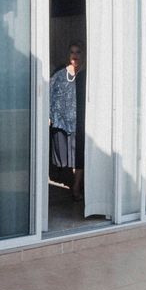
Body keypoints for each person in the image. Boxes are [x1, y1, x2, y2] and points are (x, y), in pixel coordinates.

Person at [50, 41, 86, 201]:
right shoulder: (60, 74)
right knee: (65, 158)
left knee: (79, 157)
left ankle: (76, 187)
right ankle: (72, 182)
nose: (75, 55)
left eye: (78, 52)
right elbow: (49, 92)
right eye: (72, 52)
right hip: (63, 122)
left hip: (82, 122)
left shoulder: (87, 74)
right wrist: (50, 115)